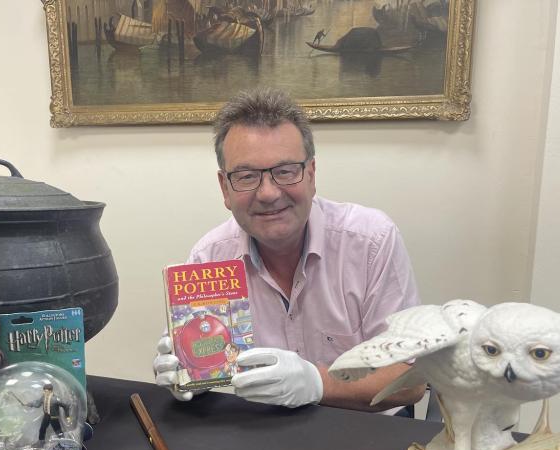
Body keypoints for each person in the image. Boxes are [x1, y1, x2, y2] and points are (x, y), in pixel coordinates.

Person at [154, 88, 424, 413]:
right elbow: (208, 363)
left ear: (311, 175)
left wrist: (318, 383)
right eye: (246, 176)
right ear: (225, 188)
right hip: (263, 429)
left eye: (285, 171)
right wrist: (187, 374)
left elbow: (410, 380)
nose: (268, 193)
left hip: (364, 427)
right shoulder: (209, 258)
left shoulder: (371, 242)